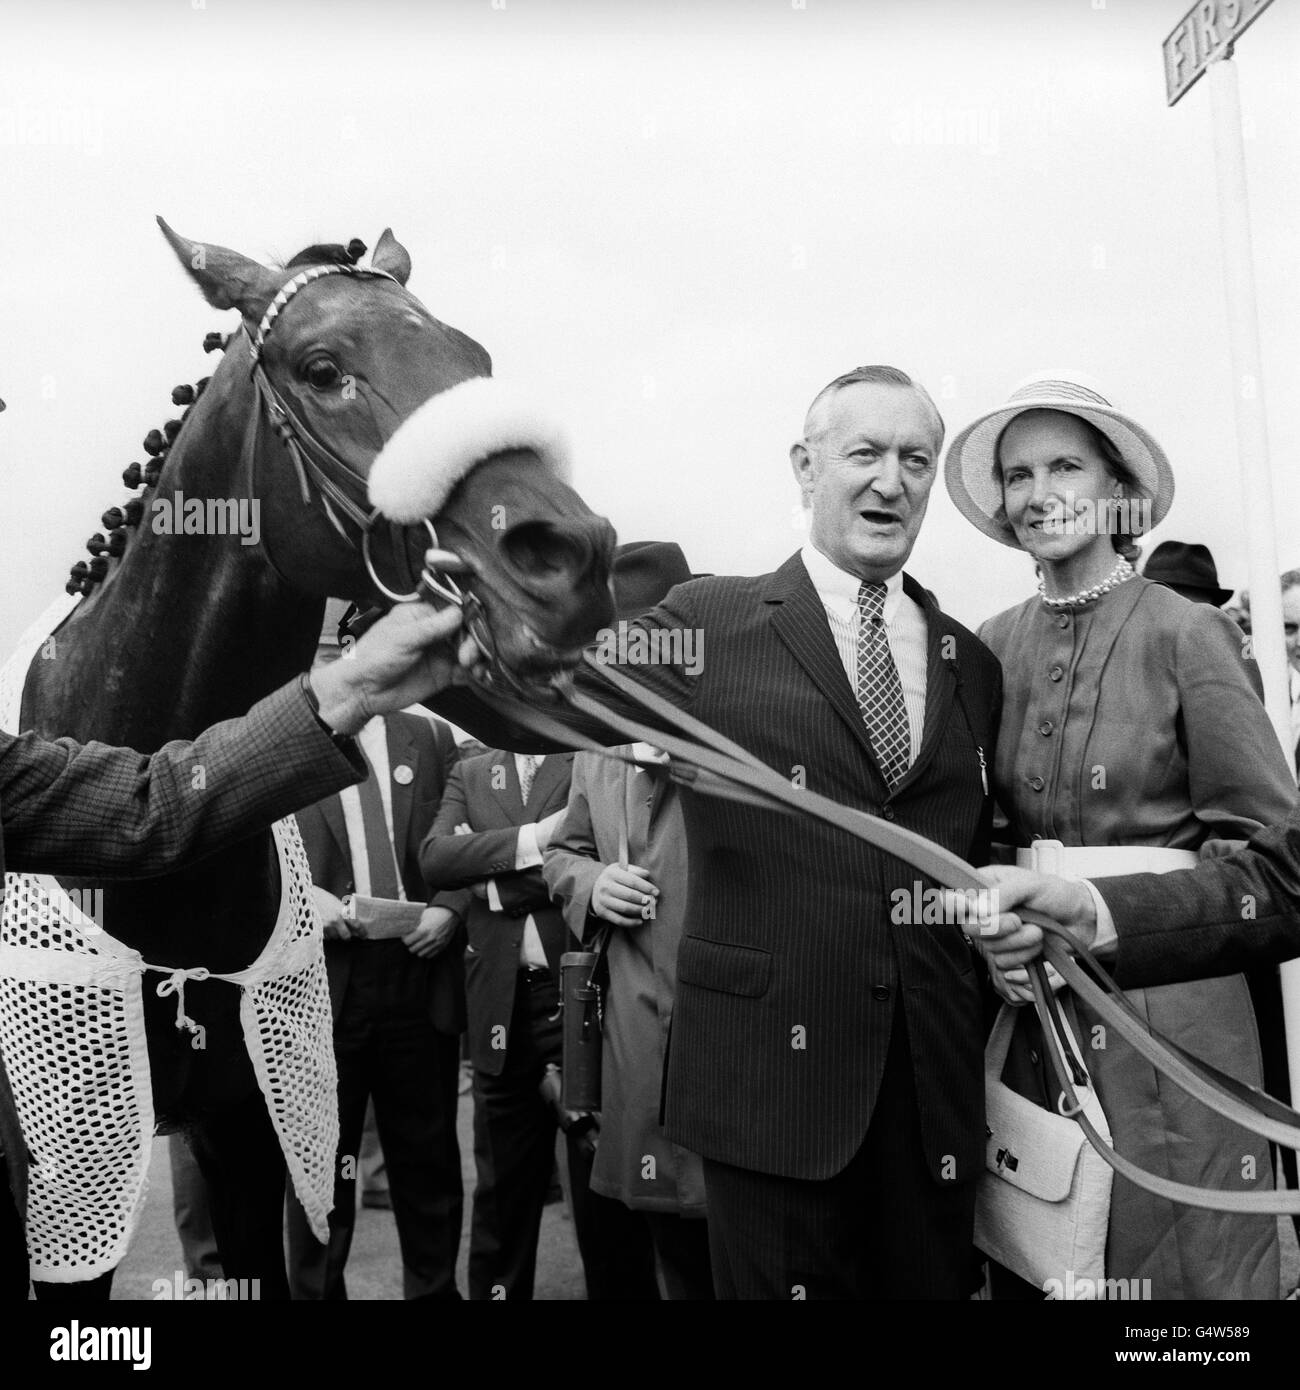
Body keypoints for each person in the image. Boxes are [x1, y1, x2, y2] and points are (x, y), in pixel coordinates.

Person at [434, 364, 1003, 1300]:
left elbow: (967, 858)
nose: (891, 481)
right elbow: (547, 699)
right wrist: (463, 566)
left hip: (929, 1101)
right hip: (771, 1098)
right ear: (805, 466)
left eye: (916, 460)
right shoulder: (709, 624)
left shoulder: (967, 663)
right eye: (863, 453)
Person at [0, 599, 480, 1300]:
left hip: (397, 976)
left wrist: (349, 693)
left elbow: (156, 803)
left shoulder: (427, 739)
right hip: (324, 971)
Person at [944, 372, 1293, 1299]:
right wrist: (992, 940)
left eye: (1066, 465)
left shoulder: (1191, 634)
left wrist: (1105, 914)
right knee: (1049, 1253)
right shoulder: (985, 644)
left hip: (1178, 1024)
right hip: (1034, 1016)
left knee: (1185, 1290)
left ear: (1115, 492)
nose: (1039, 493)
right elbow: (974, 844)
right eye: (1018, 475)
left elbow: (1280, 868)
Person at [421, 746, 657, 1300]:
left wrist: (494, 884)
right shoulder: (471, 770)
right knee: (501, 1193)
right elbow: (436, 860)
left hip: (581, 999)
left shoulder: (589, 759)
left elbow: (595, 865)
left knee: (602, 1185)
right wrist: (537, 838)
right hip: (500, 1008)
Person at [543, 541, 715, 1300]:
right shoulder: (596, 747)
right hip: (635, 1047)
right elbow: (564, 851)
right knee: (661, 1236)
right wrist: (591, 881)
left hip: (729, 1042)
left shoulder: (736, 736)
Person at [285, 601, 470, 1301]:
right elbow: (259, 852)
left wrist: (450, 911)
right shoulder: (296, 738)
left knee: (426, 1160)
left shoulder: (431, 739)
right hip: (328, 983)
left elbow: (463, 842)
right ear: (349, 649)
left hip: (417, 977)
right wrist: (311, 903)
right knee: (322, 1169)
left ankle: (433, 1290)